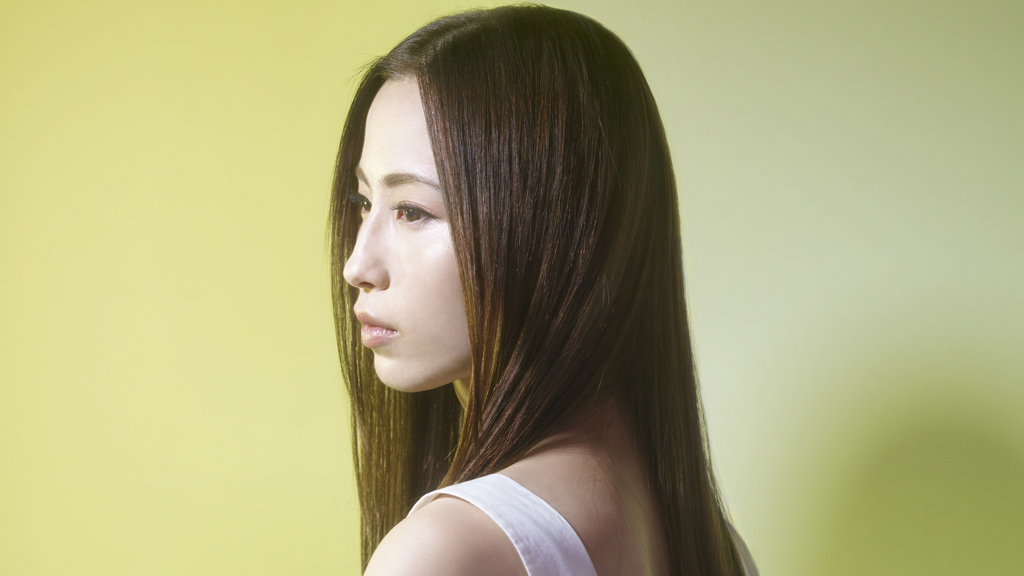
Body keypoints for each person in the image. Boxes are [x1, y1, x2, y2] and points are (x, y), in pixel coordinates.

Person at [327, 4, 758, 575]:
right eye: (363, 202)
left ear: (551, 227)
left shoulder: (445, 550)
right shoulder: (715, 546)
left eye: (412, 210)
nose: (357, 265)